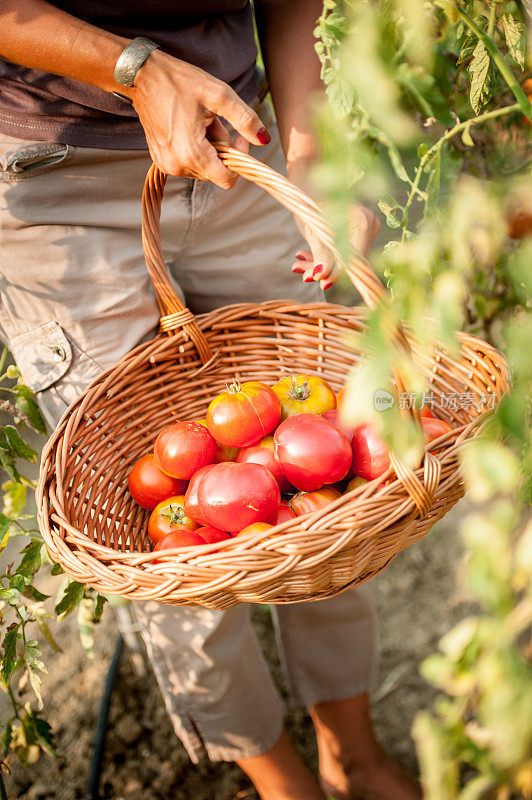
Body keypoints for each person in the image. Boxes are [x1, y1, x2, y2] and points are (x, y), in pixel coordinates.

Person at [0, 2, 420, 798]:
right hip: (58, 180)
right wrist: (136, 69)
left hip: (238, 144)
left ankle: (353, 751)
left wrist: (311, 153)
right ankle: (280, 781)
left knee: (339, 490)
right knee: (158, 547)